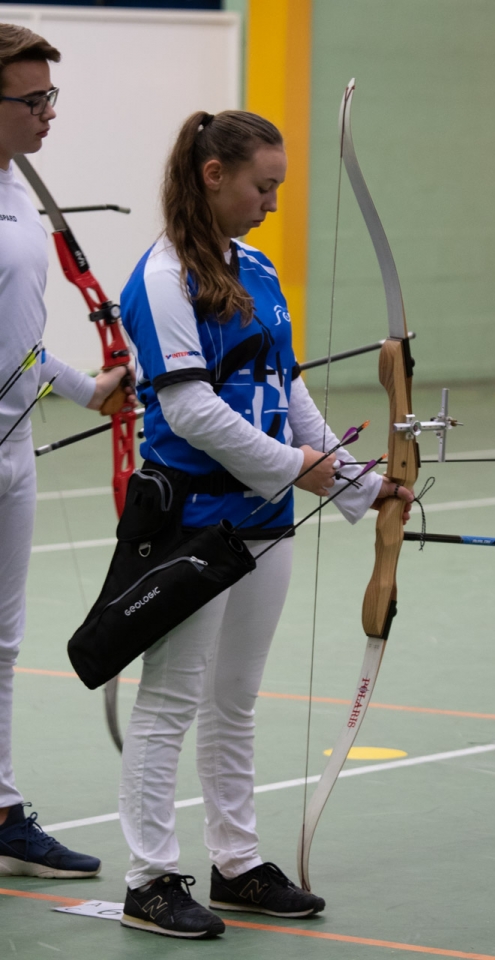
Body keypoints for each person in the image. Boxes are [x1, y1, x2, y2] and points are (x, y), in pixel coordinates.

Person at [117, 109, 413, 939]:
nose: (272, 203)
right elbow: (189, 409)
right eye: (263, 186)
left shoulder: (256, 268)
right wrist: (296, 466)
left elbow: (290, 391)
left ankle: (237, 864)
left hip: (264, 519)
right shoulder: (162, 277)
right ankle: (148, 880)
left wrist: (357, 483)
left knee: (234, 700)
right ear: (214, 176)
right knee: (170, 702)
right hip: (192, 518)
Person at [0, 24, 133, 879]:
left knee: (2, 642)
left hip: (14, 449)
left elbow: (21, 339)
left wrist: (92, 389)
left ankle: (1, 807)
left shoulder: (17, 190)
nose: (50, 112)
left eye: (52, 95)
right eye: (34, 99)